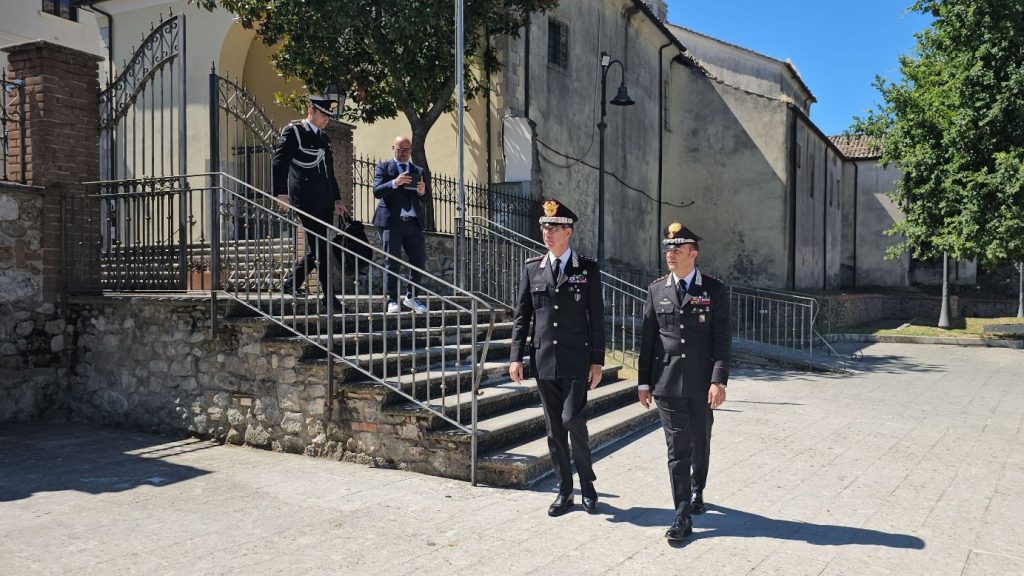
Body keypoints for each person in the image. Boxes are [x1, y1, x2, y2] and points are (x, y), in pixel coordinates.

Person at [509, 199, 605, 517]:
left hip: (577, 361)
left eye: (553, 228)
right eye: (544, 227)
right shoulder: (532, 268)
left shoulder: (587, 269)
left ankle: (588, 486)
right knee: (554, 430)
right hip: (544, 360)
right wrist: (515, 357)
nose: (547, 233)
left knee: (572, 420)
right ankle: (565, 491)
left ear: (569, 231)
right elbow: (522, 317)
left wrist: (597, 360)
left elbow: (597, 318)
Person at [637, 222, 731, 542]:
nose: (670, 254)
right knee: (677, 449)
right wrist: (643, 383)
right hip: (666, 382)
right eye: (668, 249)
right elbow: (648, 340)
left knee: (700, 442)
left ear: (694, 253)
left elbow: (722, 341)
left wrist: (718, 381)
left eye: (677, 249)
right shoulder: (656, 289)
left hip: (701, 383)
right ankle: (681, 515)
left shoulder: (714, 289)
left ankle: (697, 488)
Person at [272, 94, 348, 308]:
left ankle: (291, 283)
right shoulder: (295, 132)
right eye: (323, 114)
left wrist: (336, 198)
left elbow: (329, 171)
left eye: (328, 116)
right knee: (321, 246)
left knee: (319, 245)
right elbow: (280, 163)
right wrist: (281, 193)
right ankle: (329, 298)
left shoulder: (324, 138)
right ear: (311, 111)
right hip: (305, 199)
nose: (326, 119)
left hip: (323, 199)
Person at [372, 136, 434, 314]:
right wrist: (394, 182)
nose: (404, 153)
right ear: (393, 148)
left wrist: (422, 192)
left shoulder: (418, 170)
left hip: (412, 223)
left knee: (419, 260)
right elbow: (377, 191)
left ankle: (412, 297)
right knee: (392, 261)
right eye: (400, 150)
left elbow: (426, 198)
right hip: (391, 222)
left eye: (407, 150)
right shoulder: (384, 167)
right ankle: (392, 299)